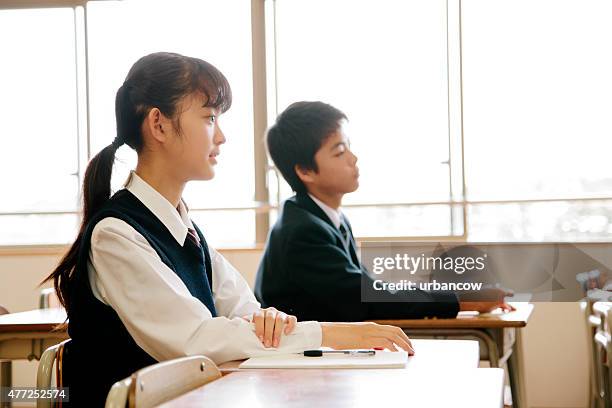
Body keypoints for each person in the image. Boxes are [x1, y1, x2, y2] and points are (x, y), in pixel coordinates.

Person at [43, 53, 413, 407]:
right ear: (159, 124)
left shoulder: (187, 232)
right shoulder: (116, 235)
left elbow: (249, 314)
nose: (221, 137)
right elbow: (195, 339)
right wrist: (333, 333)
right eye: (209, 118)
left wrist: (271, 321)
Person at [255, 101, 514, 322]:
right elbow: (367, 297)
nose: (353, 158)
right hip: (299, 362)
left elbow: (371, 289)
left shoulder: (324, 217)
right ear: (305, 171)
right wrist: (461, 301)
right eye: (340, 152)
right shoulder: (303, 230)